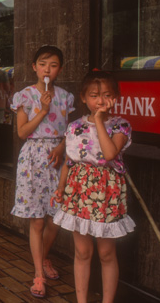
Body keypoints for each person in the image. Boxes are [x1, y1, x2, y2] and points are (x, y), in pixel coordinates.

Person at [52, 70, 135, 303]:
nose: (100, 101)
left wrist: (98, 120)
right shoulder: (74, 126)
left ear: (116, 96)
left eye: (106, 95)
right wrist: (60, 189)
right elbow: (69, 162)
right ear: (83, 97)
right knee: (82, 252)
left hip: (107, 192)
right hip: (78, 190)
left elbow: (109, 153)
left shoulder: (121, 125)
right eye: (94, 95)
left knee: (107, 253)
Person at [10, 45, 74, 298]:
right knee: (36, 219)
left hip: (58, 158)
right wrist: (43, 110)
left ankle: (44, 258)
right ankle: (38, 273)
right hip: (33, 157)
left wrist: (61, 147)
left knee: (56, 217)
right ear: (34, 67)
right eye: (43, 63)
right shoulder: (24, 96)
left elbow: (71, 131)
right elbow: (22, 133)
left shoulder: (66, 97)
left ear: (60, 69)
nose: (48, 69)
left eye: (54, 64)